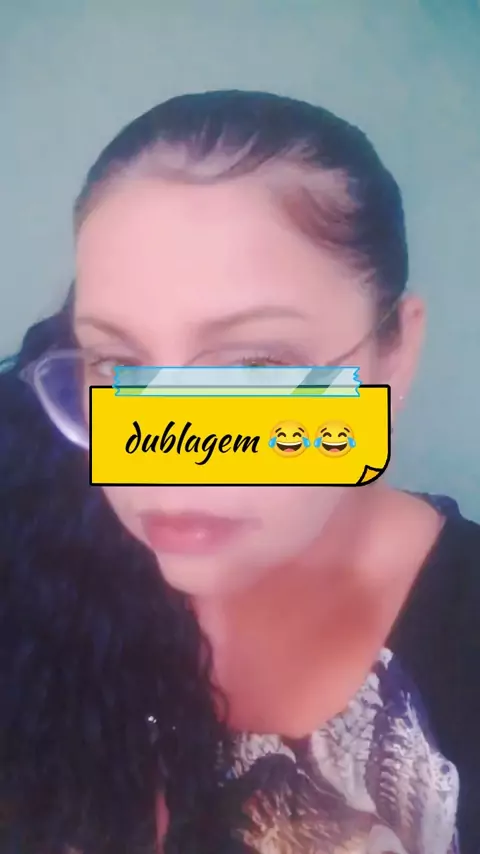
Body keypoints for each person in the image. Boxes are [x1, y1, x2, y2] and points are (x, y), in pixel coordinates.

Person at [1, 90, 479, 853]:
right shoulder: (44, 554)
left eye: (254, 365)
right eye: (119, 363)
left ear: (395, 354)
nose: (170, 451)